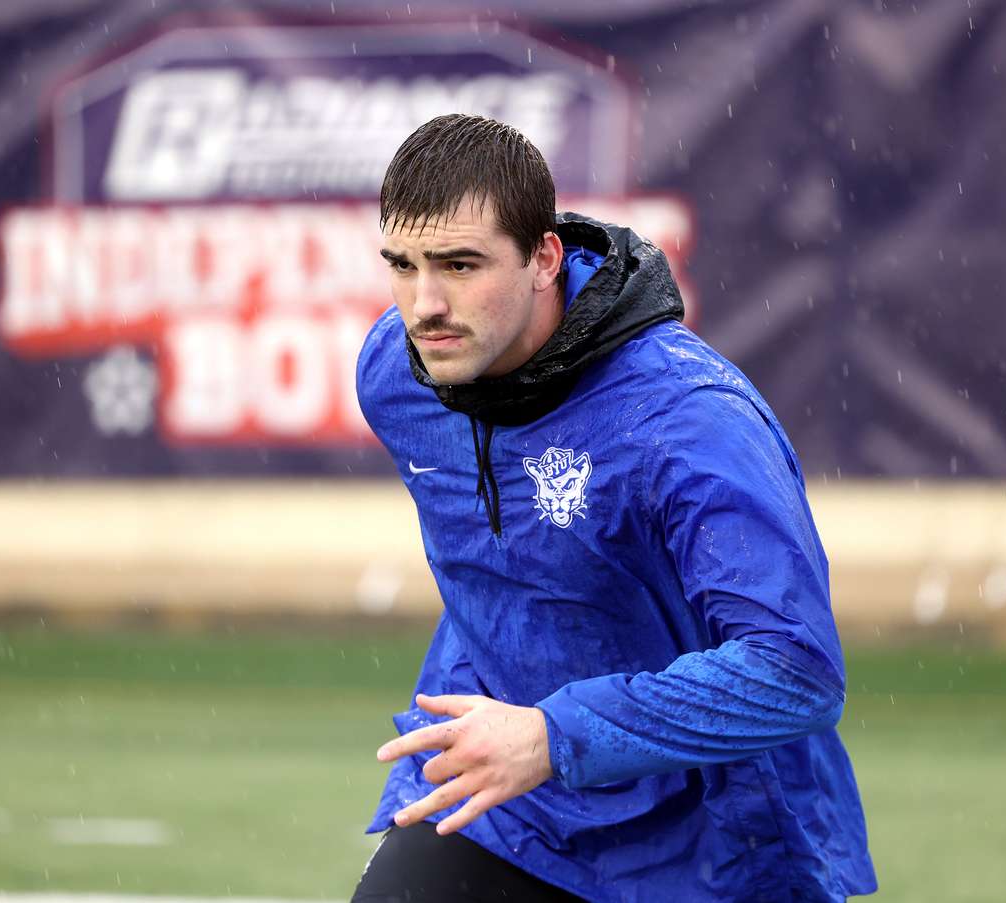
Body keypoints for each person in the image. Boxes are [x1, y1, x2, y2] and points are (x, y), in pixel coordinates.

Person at [351, 113, 877, 903]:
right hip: (507, 805)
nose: (424, 305)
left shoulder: (688, 421)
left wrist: (556, 733)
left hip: (713, 846)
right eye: (403, 264)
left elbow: (796, 671)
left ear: (543, 259)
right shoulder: (397, 376)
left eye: (460, 264)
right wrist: (518, 728)